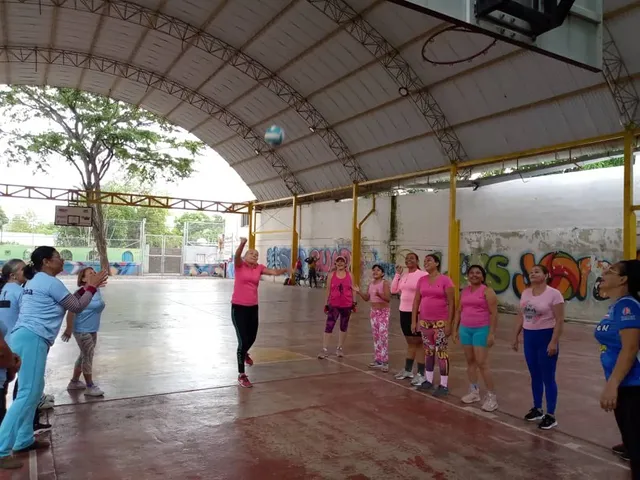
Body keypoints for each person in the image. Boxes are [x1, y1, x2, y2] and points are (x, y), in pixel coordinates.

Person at [0, 246, 107, 470]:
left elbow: (69, 301)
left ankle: (23, 440)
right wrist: (91, 287)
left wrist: (89, 287)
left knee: (33, 391)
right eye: (58, 257)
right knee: (28, 393)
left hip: (28, 337)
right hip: (32, 338)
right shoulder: (49, 282)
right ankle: (1, 450)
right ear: (46, 262)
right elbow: (76, 306)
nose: (62, 260)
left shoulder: (39, 280)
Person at [594, 260, 640, 476]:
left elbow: (630, 349)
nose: (604, 272)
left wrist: (612, 384)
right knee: (632, 446)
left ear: (623, 279)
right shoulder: (616, 306)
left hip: (634, 387)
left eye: (611, 270)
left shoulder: (628, 306)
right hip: (625, 385)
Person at [512, 264, 565, 430]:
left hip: (546, 336)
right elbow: (521, 316)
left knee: (548, 376)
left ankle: (551, 415)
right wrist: (515, 336)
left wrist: (553, 341)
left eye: (537, 271)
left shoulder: (554, 294)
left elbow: (560, 320)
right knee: (534, 374)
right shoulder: (526, 293)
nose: (533, 274)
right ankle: (537, 409)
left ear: (546, 275)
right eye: (531, 272)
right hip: (529, 337)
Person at [232, 238, 287, 388]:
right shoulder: (239, 265)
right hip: (238, 308)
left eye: (256, 254)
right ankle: (241, 375)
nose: (254, 255)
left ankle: (245, 353)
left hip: (253, 307)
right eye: (251, 253)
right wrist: (242, 244)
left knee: (252, 337)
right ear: (245, 256)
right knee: (243, 341)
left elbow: (274, 272)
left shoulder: (259, 268)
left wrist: (286, 270)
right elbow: (236, 256)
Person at [453, 265, 499, 411]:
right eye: (471, 273)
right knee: (470, 361)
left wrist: (491, 333)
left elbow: (493, 313)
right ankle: (474, 392)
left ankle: (492, 397)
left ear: (483, 276)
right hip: (465, 329)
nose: (474, 275)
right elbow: (459, 311)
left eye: (478, 273)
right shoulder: (464, 291)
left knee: (482, 363)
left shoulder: (488, 291)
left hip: (481, 329)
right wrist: (455, 329)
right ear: (468, 276)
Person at [412, 254, 455, 397]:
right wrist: (414, 321)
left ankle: (444, 384)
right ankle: (428, 380)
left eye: (429, 260)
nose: (426, 263)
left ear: (437, 263)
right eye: (424, 261)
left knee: (441, 353)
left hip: (440, 323)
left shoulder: (445, 280)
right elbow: (416, 301)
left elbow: (452, 303)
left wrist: (449, 323)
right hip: (425, 322)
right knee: (428, 352)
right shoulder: (422, 280)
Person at [62, 267, 106, 397]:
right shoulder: (80, 292)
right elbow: (71, 310)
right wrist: (68, 329)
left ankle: (74, 382)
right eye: (90, 274)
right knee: (88, 355)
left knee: (84, 355)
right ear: (84, 279)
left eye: (94, 273)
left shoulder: (96, 290)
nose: (94, 275)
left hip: (92, 329)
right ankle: (90, 386)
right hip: (81, 329)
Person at [391, 253, 428, 385]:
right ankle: (408, 370)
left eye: (412, 258)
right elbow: (393, 290)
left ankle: (421, 373)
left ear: (417, 261)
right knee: (410, 342)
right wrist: (397, 274)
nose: (408, 260)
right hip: (403, 311)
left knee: (419, 342)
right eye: (407, 259)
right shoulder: (404, 276)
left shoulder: (422, 275)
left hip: (417, 312)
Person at [0, 260, 25, 423]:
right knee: (24, 383)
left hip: (4, 343)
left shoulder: (3, 291)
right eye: (23, 269)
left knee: (3, 385)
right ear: (13, 275)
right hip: (15, 344)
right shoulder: (21, 293)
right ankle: (19, 421)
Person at [353, 264, 391, 372]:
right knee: (376, 336)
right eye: (374, 270)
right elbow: (366, 298)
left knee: (383, 335)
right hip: (373, 312)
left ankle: (385, 361)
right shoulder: (371, 284)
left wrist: (380, 295)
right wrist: (358, 291)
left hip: (383, 312)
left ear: (382, 273)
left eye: (378, 270)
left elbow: (388, 298)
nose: (375, 272)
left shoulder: (384, 283)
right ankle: (378, 360)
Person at [318, 255, 354, 359]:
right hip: (334, 304)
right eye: (338, 261)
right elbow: (328, 290)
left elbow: (353, 289)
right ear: (335, 263)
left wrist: (354, 303)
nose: (340, 263)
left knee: (343, 326)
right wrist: (326, 303)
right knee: (329, 326)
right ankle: (324, 349)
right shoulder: (331, 275)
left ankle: (340, 348)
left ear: (345, 264)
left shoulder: (350, 275)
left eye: (342, 261)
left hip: (346, 304)